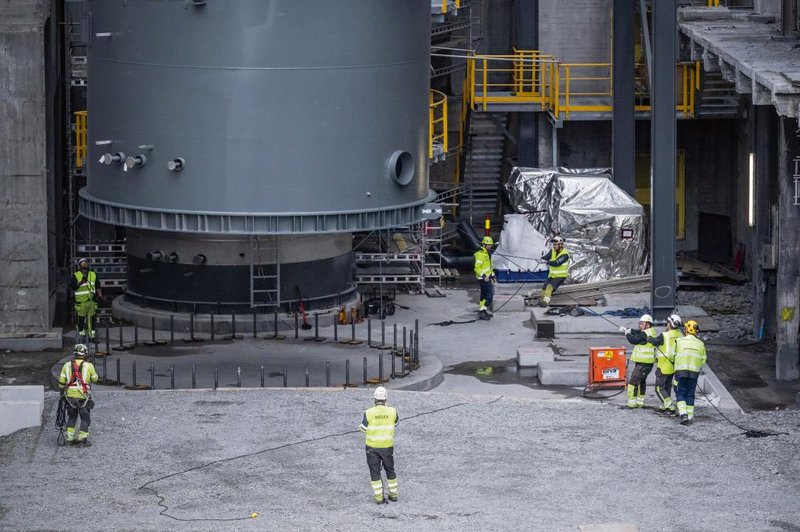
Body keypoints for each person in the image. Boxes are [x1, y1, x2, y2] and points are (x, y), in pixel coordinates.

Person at [359, 386, 399, 504]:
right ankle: (393, 494)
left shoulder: (368, 412)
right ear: (386, 398)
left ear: (374, 399)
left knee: (375, 472)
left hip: (372, 447)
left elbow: (363, 428)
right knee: (390, 470)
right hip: (387, 446)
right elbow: (396, 423)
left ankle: (379, 498)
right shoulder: (392, 411)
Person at [58, 344, 99, 445]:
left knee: (72, 417)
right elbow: (95, 379)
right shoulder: (89, 366)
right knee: (85, 418)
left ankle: (70, 438)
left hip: (70, 396)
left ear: (74, 353)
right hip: (83, 397)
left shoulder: (66, 365)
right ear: (85, 354)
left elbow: (61, 382)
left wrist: (62, 395)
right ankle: (82, 439)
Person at [647, 314, 684, 413]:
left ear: (669, 324)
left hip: (663, 366)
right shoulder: (680, 334)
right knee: (667, 387)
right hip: (674, 366)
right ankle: (665, 404)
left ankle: (669, 406)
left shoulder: (665, 335)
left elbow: (654, 341)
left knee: (659, 388)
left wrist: (649, 338)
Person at [673, 320, 707, 425]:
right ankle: (690, 416)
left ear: (687, 329)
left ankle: (683, 414)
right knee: (690, 393)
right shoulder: (701, 344)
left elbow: (672, 355)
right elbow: (703, 360)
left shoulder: (679, 341)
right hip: (694, 373)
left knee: (680, 392)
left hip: (680, 372)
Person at [620, 314, 657, 408]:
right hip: (645, 363)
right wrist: (628, 329)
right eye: (640, 323)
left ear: (648, 324)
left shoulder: (645, 334)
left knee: (632, 383)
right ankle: (640, 402)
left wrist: (627, 333)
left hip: (643, 364)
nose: (640, 326)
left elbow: (633, 340)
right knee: (641, 382)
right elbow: (638, 332)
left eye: (642, 324)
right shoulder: (649, 331)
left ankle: (631, 403)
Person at [69, 257, 102, 339]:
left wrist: (100, 295)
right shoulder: (76, 275)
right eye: (82, 263)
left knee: (92, 318)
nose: (84, 265)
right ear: (79, 266)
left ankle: (92, 335)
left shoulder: (93, 274)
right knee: (81, 318)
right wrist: (80, 282)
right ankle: (81, 334)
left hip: (91, 300)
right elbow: (72, 287)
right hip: (81, 301)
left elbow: (98, 285)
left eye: (85, 263)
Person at [539, 236, 570, 307]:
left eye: (555, 244)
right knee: (544, 286)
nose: (554, 246)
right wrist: (540, 259)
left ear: (560, 245)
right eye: (553, 244)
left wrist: (546, 262)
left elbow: (556, 263)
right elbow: (546, 257)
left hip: (560, 276)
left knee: (550, 287)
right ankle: (542, 301)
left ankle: (546, 302)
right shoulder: (552, 251)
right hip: (552, 275)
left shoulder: (565, 254)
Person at [474, 236, 496, 320]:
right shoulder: (480, 255)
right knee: (489, 295)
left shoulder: (487, 254)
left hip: (487, 277)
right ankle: (482, 310)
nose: (490, 246)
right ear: (484, 245)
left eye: (491, 245)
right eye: (488, 245)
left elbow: (488, 268)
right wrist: (484, 276)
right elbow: (477, 268)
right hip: (483, 278)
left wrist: (493, 275)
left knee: (483, 295)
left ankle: (483, 311)